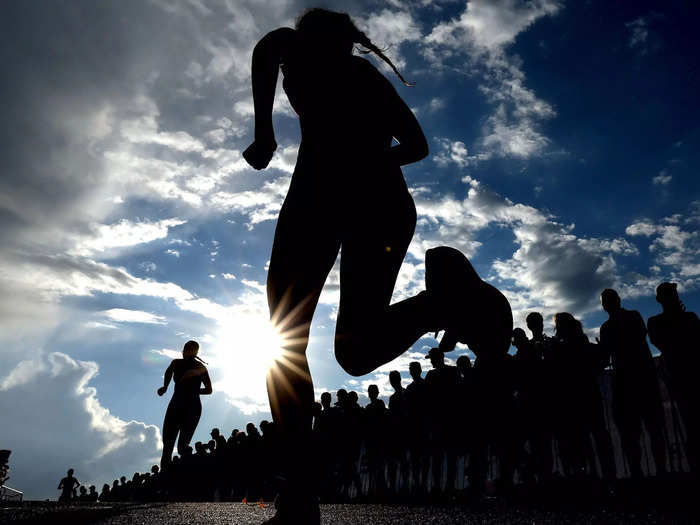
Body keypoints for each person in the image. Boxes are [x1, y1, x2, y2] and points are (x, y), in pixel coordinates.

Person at [243, 7, 513, 522]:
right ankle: (301, 491)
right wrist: (271, 133)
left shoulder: (328, 63)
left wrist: (270, 136)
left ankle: (448, 302)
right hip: (336, 201)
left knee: (296, 342)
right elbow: (417, 145)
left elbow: (416, 144)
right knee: (325, 348)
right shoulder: (319, 59)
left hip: (360, 203)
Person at [599, 288, 667, 478]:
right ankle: (656, 471)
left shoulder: (610, 326)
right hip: (639, 379)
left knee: (635, 432)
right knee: (648, 430)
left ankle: (642, 472)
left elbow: (606, 355)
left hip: (629, 381)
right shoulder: (633, 317)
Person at [647, 282, 700, 471]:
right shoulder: (686, 319)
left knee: (691, 425)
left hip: (684, 376)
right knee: (691, 425)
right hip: (683, 377)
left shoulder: (658, 322)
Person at [157, 340, 212, 469]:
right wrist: (165, 387)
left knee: (180, 447)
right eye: (185, 349)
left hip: (191, 407)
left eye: (187, 349)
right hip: (177, 405)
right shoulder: (177, 363)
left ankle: (199, 458)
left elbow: (209, 390)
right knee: (169, 447)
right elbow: (168, 372)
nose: (184, 351)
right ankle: (166, 478)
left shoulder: (200, 367)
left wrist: (193, 390)